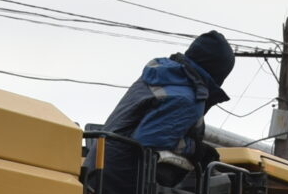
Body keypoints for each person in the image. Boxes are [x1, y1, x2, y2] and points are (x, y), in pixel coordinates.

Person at [101, 31, 235, 154]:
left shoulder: (161, 76)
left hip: (100, 164)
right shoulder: (187, 98)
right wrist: (195, 150)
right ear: (219, 73)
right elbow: (150, 143)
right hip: (123, 173)